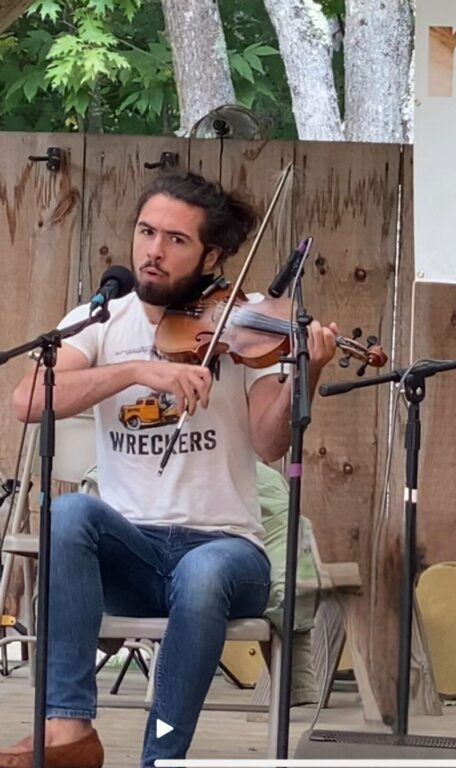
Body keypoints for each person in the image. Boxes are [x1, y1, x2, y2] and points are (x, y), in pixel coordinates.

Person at [1, 171, 339, 768]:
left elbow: (267, 441)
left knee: (205, 572)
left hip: (228, 552)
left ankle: (162, 758)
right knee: (71, 510)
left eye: (176, 240)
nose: (153, 251)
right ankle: (69, 729)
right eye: (146, 232)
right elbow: (30, 400)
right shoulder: (103, 320)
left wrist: (307, 373)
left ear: (211, 254)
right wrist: (137, 371)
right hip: (134, 551)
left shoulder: (246, 323)